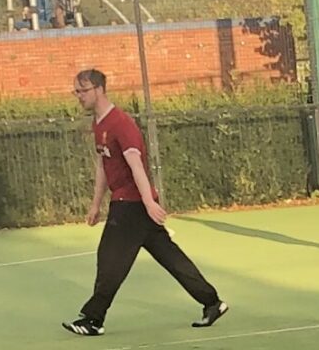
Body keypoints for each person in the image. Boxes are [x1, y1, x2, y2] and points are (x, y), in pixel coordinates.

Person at [62, 69, 227, 335]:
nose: (78, 96)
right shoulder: (99, 123)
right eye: (76, 91)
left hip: (131, 205)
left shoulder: (121, 123)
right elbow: (104, 164)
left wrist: (149, 203)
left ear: (99, 89)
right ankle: (212, 302)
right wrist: (95, 204)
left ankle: (93, 319)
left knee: (110, 259)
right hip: (128, 203)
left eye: (83, 90)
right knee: (170, 257)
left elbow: (136, 165)